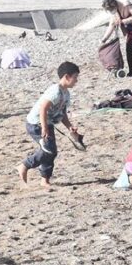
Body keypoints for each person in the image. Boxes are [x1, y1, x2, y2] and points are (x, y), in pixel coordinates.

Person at [17, 61, 82, 189]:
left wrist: (69, 127)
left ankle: (45, 180)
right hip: (36, 123)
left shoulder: (66, 93)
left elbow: (62, 113)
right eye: (75, 77)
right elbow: (43, 108)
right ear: (67, 77)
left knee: (52, 152)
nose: (76, 81)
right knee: (48, 150)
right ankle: (24, 165)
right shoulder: (55, 91)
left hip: (48, 123)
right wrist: (44, 127)